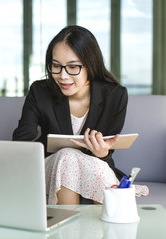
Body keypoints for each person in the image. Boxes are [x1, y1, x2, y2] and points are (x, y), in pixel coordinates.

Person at [12, 25, 148, 204]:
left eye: (73, 67)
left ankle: (91, 229)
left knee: (78, 159)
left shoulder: (115, 95)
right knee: (67, 156)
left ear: (90, 65)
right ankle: (75, 228)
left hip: (94, 169)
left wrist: (102, 153)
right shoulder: (40, 91)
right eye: (56, 66)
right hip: (50, 170)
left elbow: (107, 156)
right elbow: (21, 144)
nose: (63, 76)